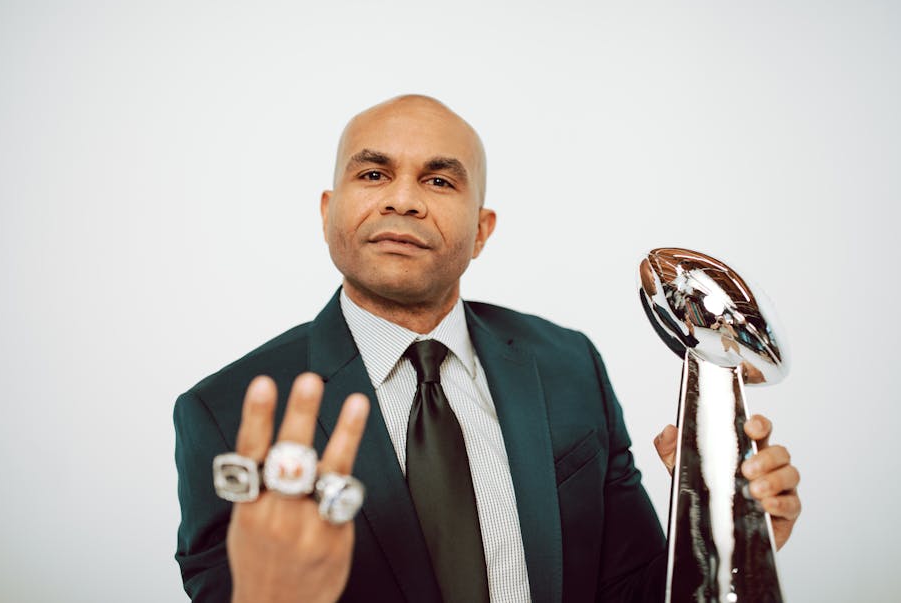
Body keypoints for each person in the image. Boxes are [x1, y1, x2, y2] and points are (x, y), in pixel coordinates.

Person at [173, 95, 801, 603]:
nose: (403, 198)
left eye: (440, 180)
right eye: (373, 173)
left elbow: (628, 590)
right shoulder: (222, 415)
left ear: (481, 231)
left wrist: (721, 540)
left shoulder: (568, 364)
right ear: (328, 212)